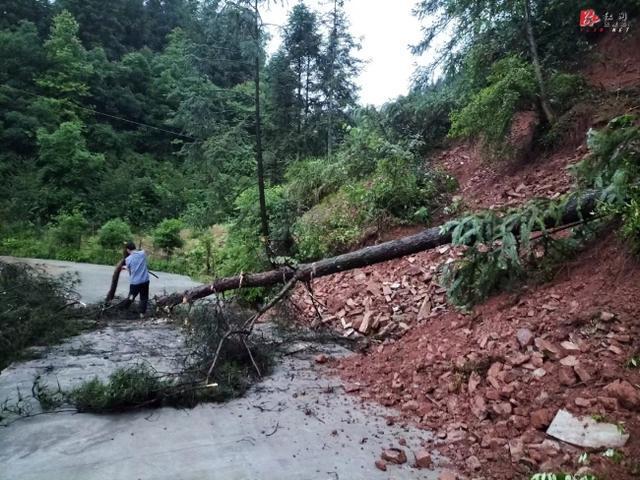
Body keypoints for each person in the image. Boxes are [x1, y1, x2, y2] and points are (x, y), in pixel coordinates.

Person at [122, 241, 150, 317]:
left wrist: (125, 268)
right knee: (144, 297)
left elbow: (130, 272)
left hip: (135, 283)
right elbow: (147, 252)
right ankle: (142, 314)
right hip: (145, 281)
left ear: (128, 250)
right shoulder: (142, 253)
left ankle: (124, 309)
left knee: (131, 296)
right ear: (135, 247)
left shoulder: (128, 259)